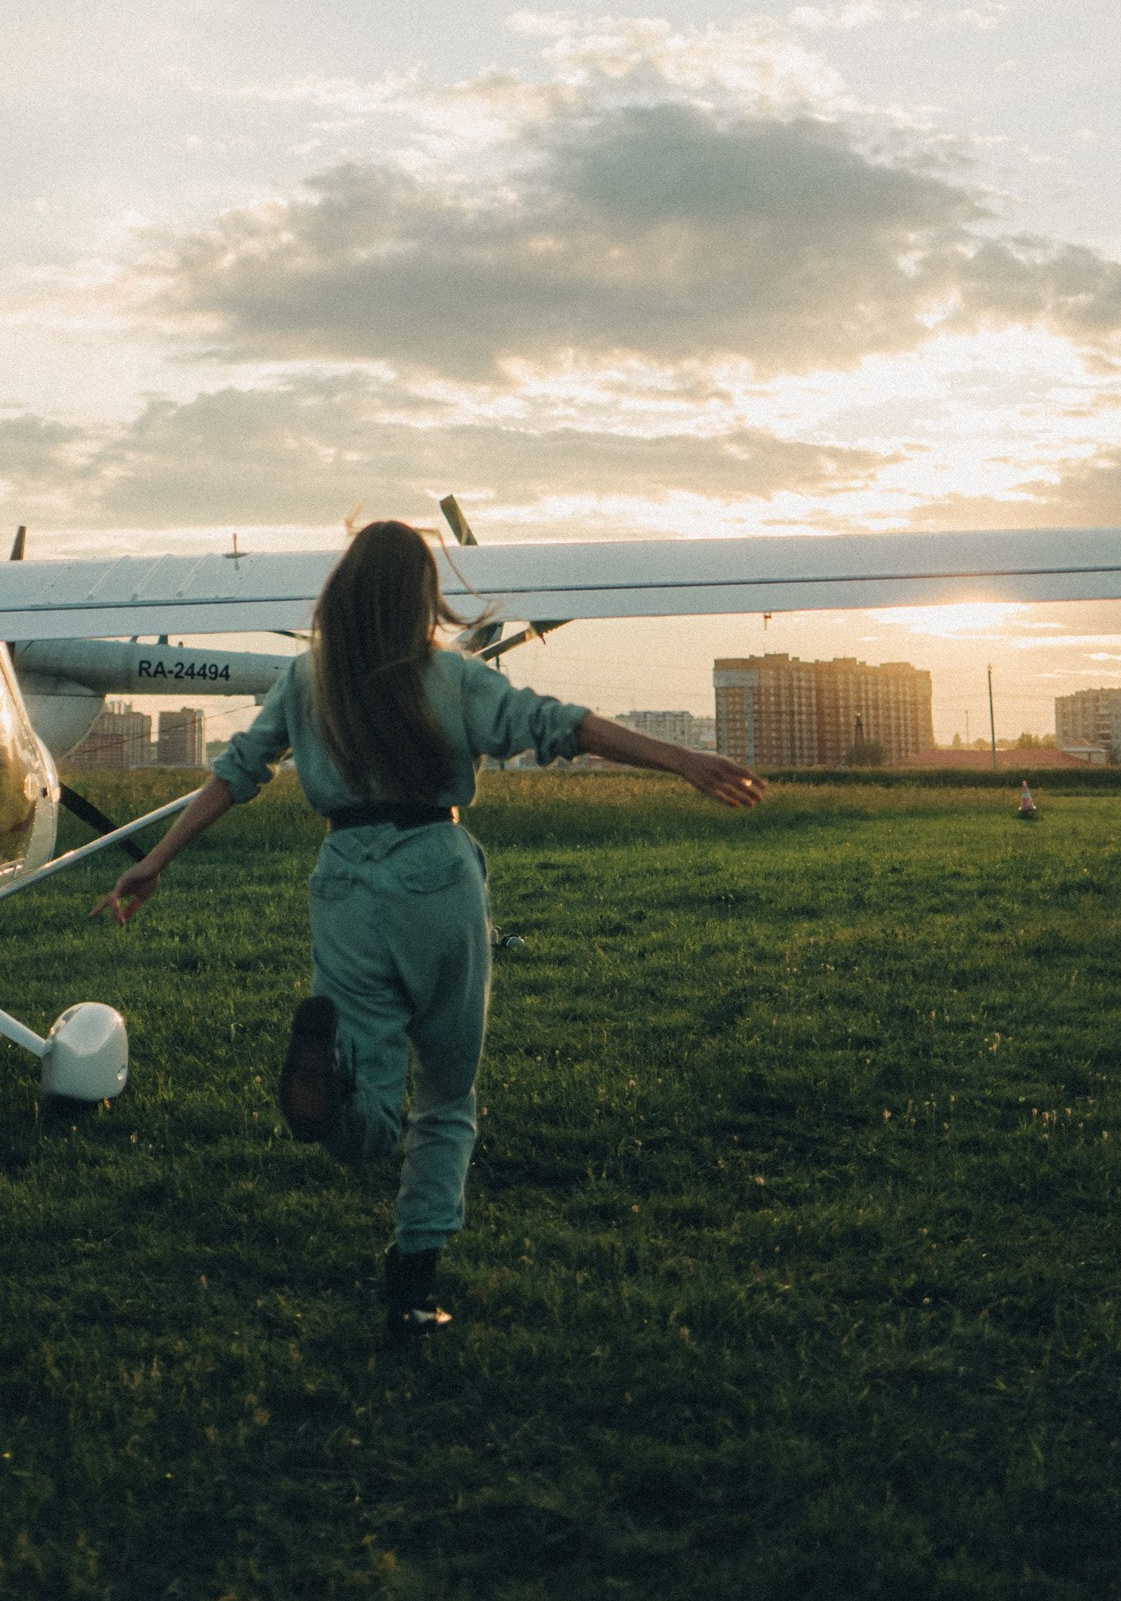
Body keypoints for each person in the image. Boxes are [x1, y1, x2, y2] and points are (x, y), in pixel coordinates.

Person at [93, 519, 766, 1337]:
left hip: (342, 884)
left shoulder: (308, 681)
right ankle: (412, 1287)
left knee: (372, 1094)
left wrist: (154, 859)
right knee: (447, 1093)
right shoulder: (452, 679)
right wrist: (685, 760)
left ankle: (337, 1097)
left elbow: (238, 772)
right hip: (436, 878)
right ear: (423, 596)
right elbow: (563, 725)